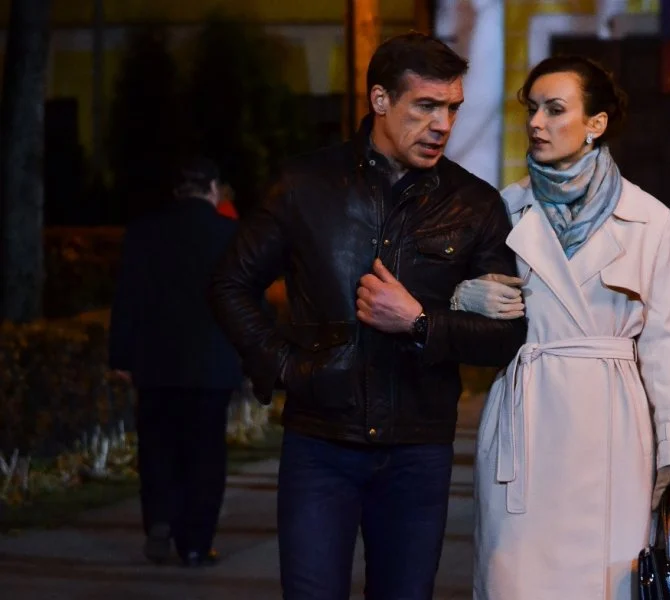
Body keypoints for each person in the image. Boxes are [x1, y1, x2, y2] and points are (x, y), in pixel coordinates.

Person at [208, 32, 526, 600]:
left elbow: (507, 336)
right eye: (425, 106)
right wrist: (283, 367)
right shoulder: (304, 185)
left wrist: (421, 322)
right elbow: (230, 283)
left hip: (418, 451)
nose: (442, 124)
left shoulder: (474, 204)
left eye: (452, 108)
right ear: (380, 99)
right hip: (320, 445)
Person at [450, 56, 670, 599]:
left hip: (614, 432)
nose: (537, 123)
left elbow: (663, 342)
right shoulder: (503, 208)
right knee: (514, 579)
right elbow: (458, 308)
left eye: (555, 109)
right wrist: (460, 296)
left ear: (595, 124)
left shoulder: (648, 217)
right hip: (525, 424)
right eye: (532, 109)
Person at [108, 158, 242, 567]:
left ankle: (160, 519)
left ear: (176, 191)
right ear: (213, 189)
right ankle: (196, 542)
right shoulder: (230, 235)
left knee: (157, 447)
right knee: (205, 454)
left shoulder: (144, 232)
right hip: (210, 363)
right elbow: (244, 301)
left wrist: (122, 354)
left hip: (156, 361)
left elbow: (127, 297)